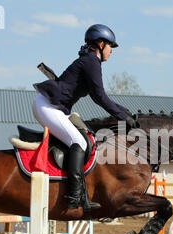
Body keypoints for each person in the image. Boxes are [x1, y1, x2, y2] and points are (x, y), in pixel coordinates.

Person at [32, 24, 138, 213]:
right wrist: (122, 115)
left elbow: (100, 96)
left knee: (84, 136)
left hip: (52, 107)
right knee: (79, 142)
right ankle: (74, 196)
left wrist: (125, 112)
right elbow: (99, 97)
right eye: (110, 47)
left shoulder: (89, 61)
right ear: (100, 43)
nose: (111, 52)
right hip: (48, 107)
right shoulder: (91, 62)